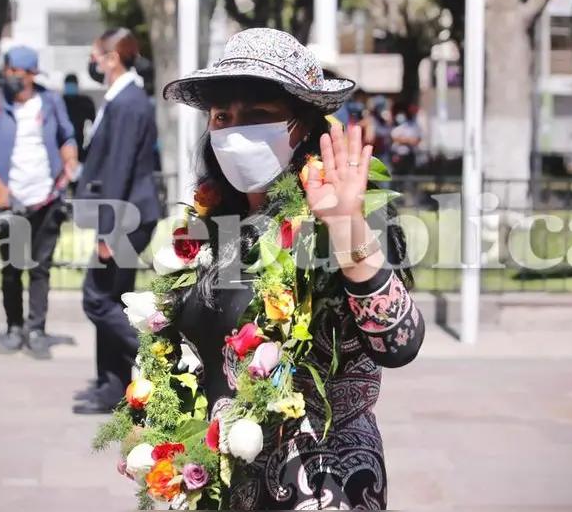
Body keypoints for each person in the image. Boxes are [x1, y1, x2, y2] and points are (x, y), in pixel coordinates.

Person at [110, 28, 425, 508]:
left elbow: (400, 343)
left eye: (258, 115)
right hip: (218, 483)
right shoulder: (211, 226)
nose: (236, 130)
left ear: (302, 125)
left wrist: (347, 228)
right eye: (222, 117)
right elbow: (174, 342)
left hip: (318, 479)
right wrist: (149, 423)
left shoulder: (348, 215)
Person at [0, 46, 79, 359]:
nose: (11, 77)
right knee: (12, 267)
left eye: (17, 72)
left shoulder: (51, 101)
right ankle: (14, 327)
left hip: (46, 197)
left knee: (41, 268)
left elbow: (67, 137)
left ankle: (37, 329)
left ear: (32, 75)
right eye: (8, 71)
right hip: (9, 200)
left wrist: (69, 159)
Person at [73, 28, 159, 415]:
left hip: (126, 217)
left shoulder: (128, 102)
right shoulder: (122, 98)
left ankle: (157, 363)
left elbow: (120, 169)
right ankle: (113, 386)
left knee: (96, 299)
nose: (93, 63)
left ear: (112, 59)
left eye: (96, 55)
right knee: (112, 298)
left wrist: (109, 232)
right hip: (123, 214)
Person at [60, 73, 97, 162]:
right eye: (69, 85)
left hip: (80, 142)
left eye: (72, 85)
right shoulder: (60, 102)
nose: (70, 88)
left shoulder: (85, 103)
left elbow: (93, 123)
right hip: (63, 144)